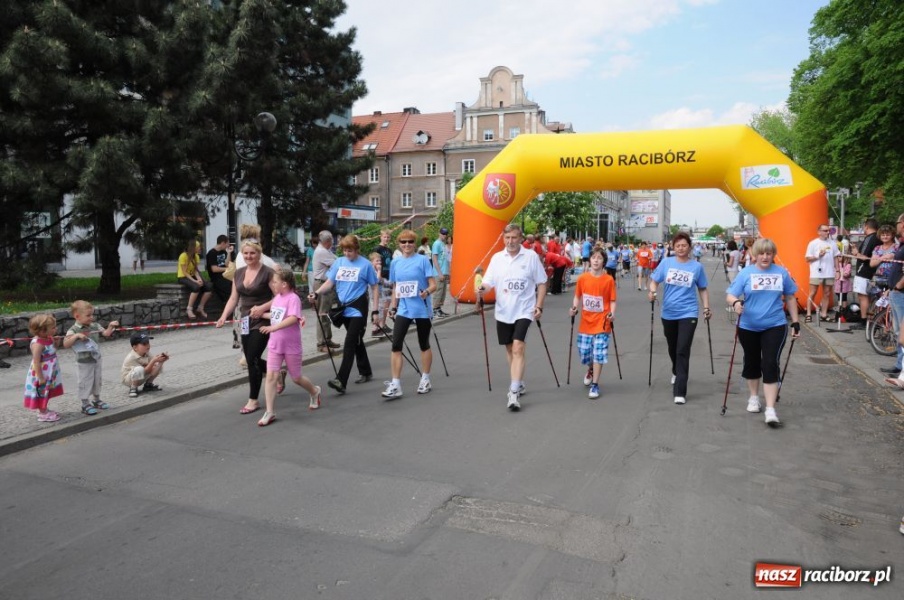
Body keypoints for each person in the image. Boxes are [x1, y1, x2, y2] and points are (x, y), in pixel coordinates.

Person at [726, 238, 800, 425]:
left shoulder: (781, 273)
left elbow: (790, 297)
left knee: (769, 363)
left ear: (774, 255)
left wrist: (796, 322)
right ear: (754, 255)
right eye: (761, 253)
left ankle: (770, 409)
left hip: (775, 325)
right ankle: (753, 397)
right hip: (748, 325)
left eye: (769, 253)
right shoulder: (746, 273)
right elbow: (730, 294)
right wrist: (735, 303)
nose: (765, 257)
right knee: (751, 362)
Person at [477, 224, 548, 411]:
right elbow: (488, 282)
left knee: (518, 347)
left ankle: (514, 391)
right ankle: (518, 380)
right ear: (503, 238)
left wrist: (539, 306)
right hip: (503, 311)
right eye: (507, 238)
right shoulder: (497, 258)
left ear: (520, 238)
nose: (510, 241)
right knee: (509, 349)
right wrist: (481, 290)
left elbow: (542, 283)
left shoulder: (531, 257)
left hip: (524, 310)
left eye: (514, 238)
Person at [308, 234, 380, 395]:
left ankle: (341, 379)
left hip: (358, 307)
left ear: (357, 249)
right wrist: (317, 293)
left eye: (351, 250)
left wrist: (376, 310)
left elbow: (375, 287)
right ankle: (366, 371)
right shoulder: (339, 262)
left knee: (349, 342)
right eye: (345, 250)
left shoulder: (366, 265)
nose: (347, 253)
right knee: (357, 340)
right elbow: (330, 282)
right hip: (343, 307)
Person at [648, 232, 711, 405]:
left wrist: (706, 307)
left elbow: (703, 288)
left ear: (689, 247)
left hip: (689, 312)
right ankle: (676, 370)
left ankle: (680, 391)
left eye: (684, 245)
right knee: (672, 346)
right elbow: (654, 281)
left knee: (682, 349)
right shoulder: (666, 263)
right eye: (678, 246)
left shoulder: (696, 267)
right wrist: (652, 291)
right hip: (668, 313)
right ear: (673, 247)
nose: (681, 248)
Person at [257, 264, 322, 426]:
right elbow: (277, 314)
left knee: (296, 378)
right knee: (271, 376)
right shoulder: (277, 298)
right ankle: (270, 411)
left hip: (291, 344)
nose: (272, 284)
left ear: (284, 284)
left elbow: (293, 317)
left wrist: (273, 327)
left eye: (275, 282)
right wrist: (259, 313)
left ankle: (314, 391)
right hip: (275, 343)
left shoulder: (293, 298)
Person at [216, 236, 274, 414]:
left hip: (263, 319)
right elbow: (234, 298)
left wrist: (262, 307)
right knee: (250, 359)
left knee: (253, 358)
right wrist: (223, 316)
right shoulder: (239, 273)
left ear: (259, 254)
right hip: (246, 320)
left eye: (252, 253)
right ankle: (277, 372)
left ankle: (253, 400)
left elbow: (279, 297)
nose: (249, 256)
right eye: (246, 253)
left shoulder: (268, 273)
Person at [382, 230, 438, 398]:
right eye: (403, 242)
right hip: (404, 309)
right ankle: (395, 384)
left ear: (415, 243)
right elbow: (396, 288)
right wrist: (393, 307)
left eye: (410, 242)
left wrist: (426, 292)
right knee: (396, 345)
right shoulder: (395, 263)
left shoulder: (422, 260)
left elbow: (433, 284)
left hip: (422, 308)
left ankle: (425, 378)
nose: (407, 245)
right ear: (399, 244)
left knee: (423, 344)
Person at [570, 248, 617, 399]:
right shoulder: (583, 278)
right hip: (586, 322)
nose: (596, 260)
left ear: (604, 262)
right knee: (585, 353)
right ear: (589, 260)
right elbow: (578, 296)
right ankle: (590, 368)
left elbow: (612, 300)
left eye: (599, 258)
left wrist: (612, 313)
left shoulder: (608, 279)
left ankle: (595, 385)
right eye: (594, 258)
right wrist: (574, 308)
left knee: (599, 354)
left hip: (602, 323)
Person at [63, 300, 119, 416]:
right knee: (85, 382)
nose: (91, 317)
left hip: (96, 359)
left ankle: (97, 400)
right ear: (77, 316)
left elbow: (106, 334)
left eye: (92, 314)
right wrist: (76, 336)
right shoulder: (73, 330)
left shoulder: (94, 325)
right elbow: (66, 344)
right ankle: (84, 404)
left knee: (97, 380)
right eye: (88, 315)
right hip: (83, 362)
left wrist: (110, 326)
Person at [23, 314, 63, 422]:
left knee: (46, 392)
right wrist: (40, 378)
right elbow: (36, 361)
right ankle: (43, 413)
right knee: (41, 392)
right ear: (42, 330)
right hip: (41, 374)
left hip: (49, 372)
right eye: (53, 327)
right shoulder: (38, 344)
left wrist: (56, 343)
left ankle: (44, 409)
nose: (56, 329)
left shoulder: (48, 338)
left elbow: (52, 350)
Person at [805, 224, 841, 322]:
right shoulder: (813, 243)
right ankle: (808, 314)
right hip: (816, 272)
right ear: (819, 232)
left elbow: (836, 257)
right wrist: (818, 256)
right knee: (812, 293)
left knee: (827, 293)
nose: (827, 232)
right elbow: (807, 259)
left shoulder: (832, 243)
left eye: (828, 230)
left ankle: (823, 314)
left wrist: (837, 270)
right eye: (825, 231)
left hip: (829, 272)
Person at [312, 230, 340, 352]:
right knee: (323, 314)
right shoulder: (322, 252)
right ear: (327, 241)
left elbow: (337, 258)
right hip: (322, 284)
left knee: (326, 314)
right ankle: (321, 344)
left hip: (325, 284)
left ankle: (327, 340)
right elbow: (337, 264)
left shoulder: (325, 250)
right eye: (332, 242)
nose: (333, 244)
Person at [121, 332, 169, 398]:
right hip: (129, 379)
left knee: (158, 365)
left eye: (148, 343)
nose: (148, 345)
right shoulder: (131, 357)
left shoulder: (147, 353)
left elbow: (152, 371)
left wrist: (161, 361)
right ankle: (133, 388)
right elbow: (145, 371)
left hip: (140, 375)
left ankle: (148, 385)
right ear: (135, 347)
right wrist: (153, 360)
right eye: (144, 344)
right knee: (139, 369)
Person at [177, 239, 212, 319]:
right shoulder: (183, 256)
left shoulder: (196, 256)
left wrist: (199, 279)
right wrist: (195, 281)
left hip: (192, 276)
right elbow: (185, 272)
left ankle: (200, 307)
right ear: (193, 248)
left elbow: (195, 270)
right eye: (198, 247)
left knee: (208, 287)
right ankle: (189, 309)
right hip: (183, 277)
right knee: (196, 287)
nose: (200, 248)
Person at [851, 218, 879, 316]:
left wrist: (856, 253)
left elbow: (864, 256)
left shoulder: (870, 238)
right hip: (870, 271)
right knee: (867, 295)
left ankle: (863, 319)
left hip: (863, 270)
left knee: (862, 296)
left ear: (866, 226)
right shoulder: (877, 238)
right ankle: (868, 318)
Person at [206, 235, 235, 302]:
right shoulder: (211, 253)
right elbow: (214, 269)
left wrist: (229, 253)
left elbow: (228, 264)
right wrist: (227, 269)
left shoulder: (224, 251)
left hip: (226, 275)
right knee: (229, 289)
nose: (228, 245)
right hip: (217, 278)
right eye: (227, 243)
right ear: (222, 243)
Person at [369, 252, 392, 336]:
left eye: (380, 261)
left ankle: (379, 328)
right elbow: (377, 280)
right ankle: (375, 329)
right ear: (372, 262)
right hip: (374, 296)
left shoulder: (375, 270)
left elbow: (381, 280)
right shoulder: (372, 270)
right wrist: (379, 270)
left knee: (381, 311)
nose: (379, 263)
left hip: (380, 294)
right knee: (377, 311)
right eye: (377, 261)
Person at [432, 228, 450, 318]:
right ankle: (434, 310)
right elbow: (434, 258)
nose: (444, 235)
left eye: (446, 234)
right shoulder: (436, 243)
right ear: (439, 233)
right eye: (443, 234)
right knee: (438, 291)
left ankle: (439, 309)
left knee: (443, 292)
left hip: (444, 271)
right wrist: (439, 273)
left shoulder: (443, 244)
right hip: (439, 272)